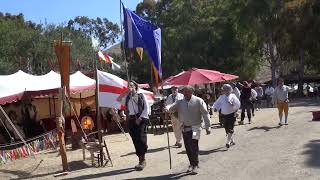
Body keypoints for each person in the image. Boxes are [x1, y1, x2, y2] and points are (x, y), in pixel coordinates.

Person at [165, 86, 211, 175]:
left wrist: (208, 127)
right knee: (188, 147)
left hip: (195, 128)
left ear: (192, 92)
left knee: (194, 145)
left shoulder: (198, 101)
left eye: (187, 92)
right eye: (184, 92)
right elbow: (171, 107)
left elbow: (205, 114)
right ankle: (191, 163)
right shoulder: (180, 102)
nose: (185, 93)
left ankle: (195, 165)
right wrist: (167, 108)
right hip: (185, 128)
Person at [117, 81, 150, 171]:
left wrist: (139, 118)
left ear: (135, 87)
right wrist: (126, 92)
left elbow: (146, 108)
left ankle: (143, 159)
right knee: (135, 139)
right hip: (131, 120)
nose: (130, 87)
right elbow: (118, 99)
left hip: (140, 119)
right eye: (128, 86)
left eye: (131, 86)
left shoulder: (141, 95)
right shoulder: (127, 97)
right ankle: (141, 160)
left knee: (141, 139)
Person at [213, 84, 240, 149]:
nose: (226, 91)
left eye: (228, 89)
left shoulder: (233, 96)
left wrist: (234, 107)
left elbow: (237, 104)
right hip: (224, 115)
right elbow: (217, 103)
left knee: (231, 128)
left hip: (232, 114)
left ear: (230, 90)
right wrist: (215, 108)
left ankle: (228, 142)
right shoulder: (221, 97)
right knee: (227, 129)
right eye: (225, 90)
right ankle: (232, 140)